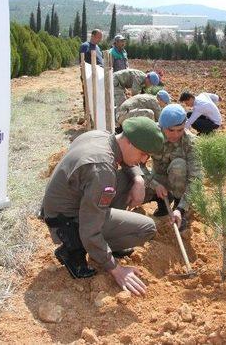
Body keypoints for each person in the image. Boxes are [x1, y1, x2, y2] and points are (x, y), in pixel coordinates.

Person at [40, 117, 165, 296]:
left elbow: (126, 162)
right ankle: (75, 249)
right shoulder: (102, 169)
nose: (144, 160)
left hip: (60, 205)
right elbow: (90, 227)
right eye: (143, 154)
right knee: (146, 228)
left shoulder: (102, 136)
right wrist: (115, 268)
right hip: (66, 221)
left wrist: (138, 178)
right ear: (129, 142)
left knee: (127, 179)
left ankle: (100, 244)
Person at [144, 104, 202, 231]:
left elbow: (196, 180)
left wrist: (181, 208)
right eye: (171, 130)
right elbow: (136, 165)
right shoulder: (152, 135)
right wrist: (154, 184)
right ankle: (163, 203)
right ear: (162, 126)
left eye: (180, 130)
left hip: (179, 185)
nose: (176, 135)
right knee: (134, 188)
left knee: (179, 166)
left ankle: (179, 208)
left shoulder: (191, 143)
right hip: (157, 180)